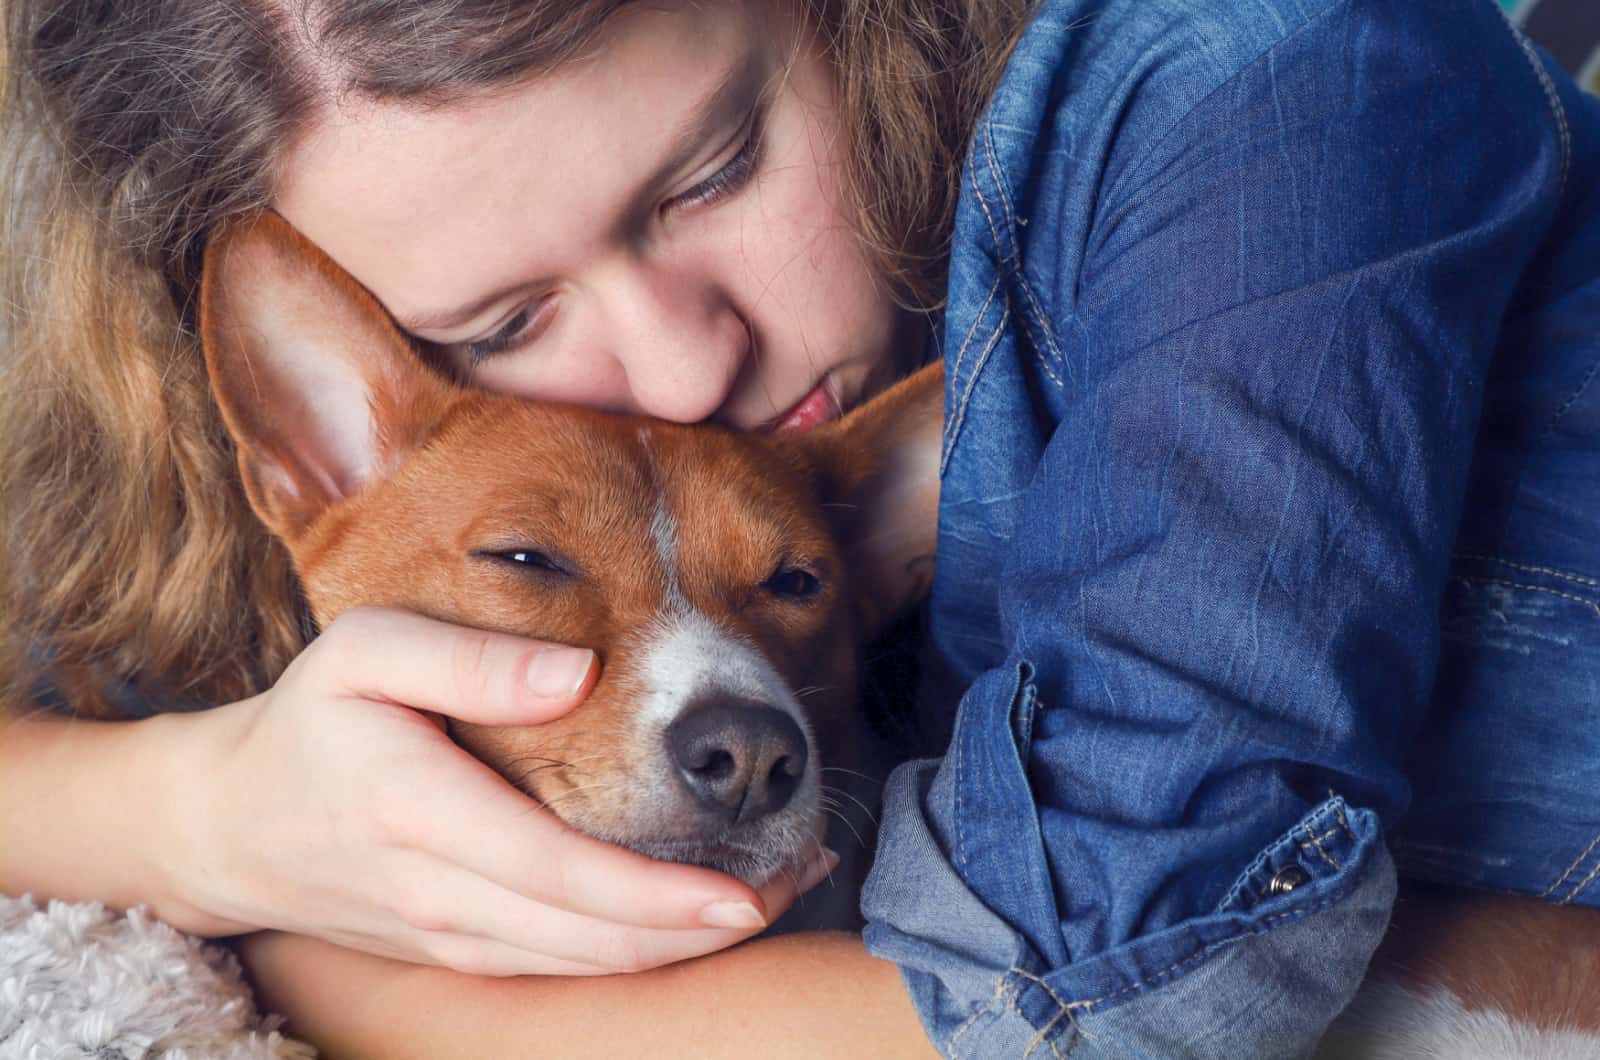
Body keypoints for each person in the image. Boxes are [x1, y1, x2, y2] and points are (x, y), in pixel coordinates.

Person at [2, 0, 1597, 1055]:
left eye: (713, 169)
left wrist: (307, 957)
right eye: (498, 322)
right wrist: (209, 817)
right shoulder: (415, 486)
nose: (687, 362)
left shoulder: (1261, 75)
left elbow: (1129, 995)